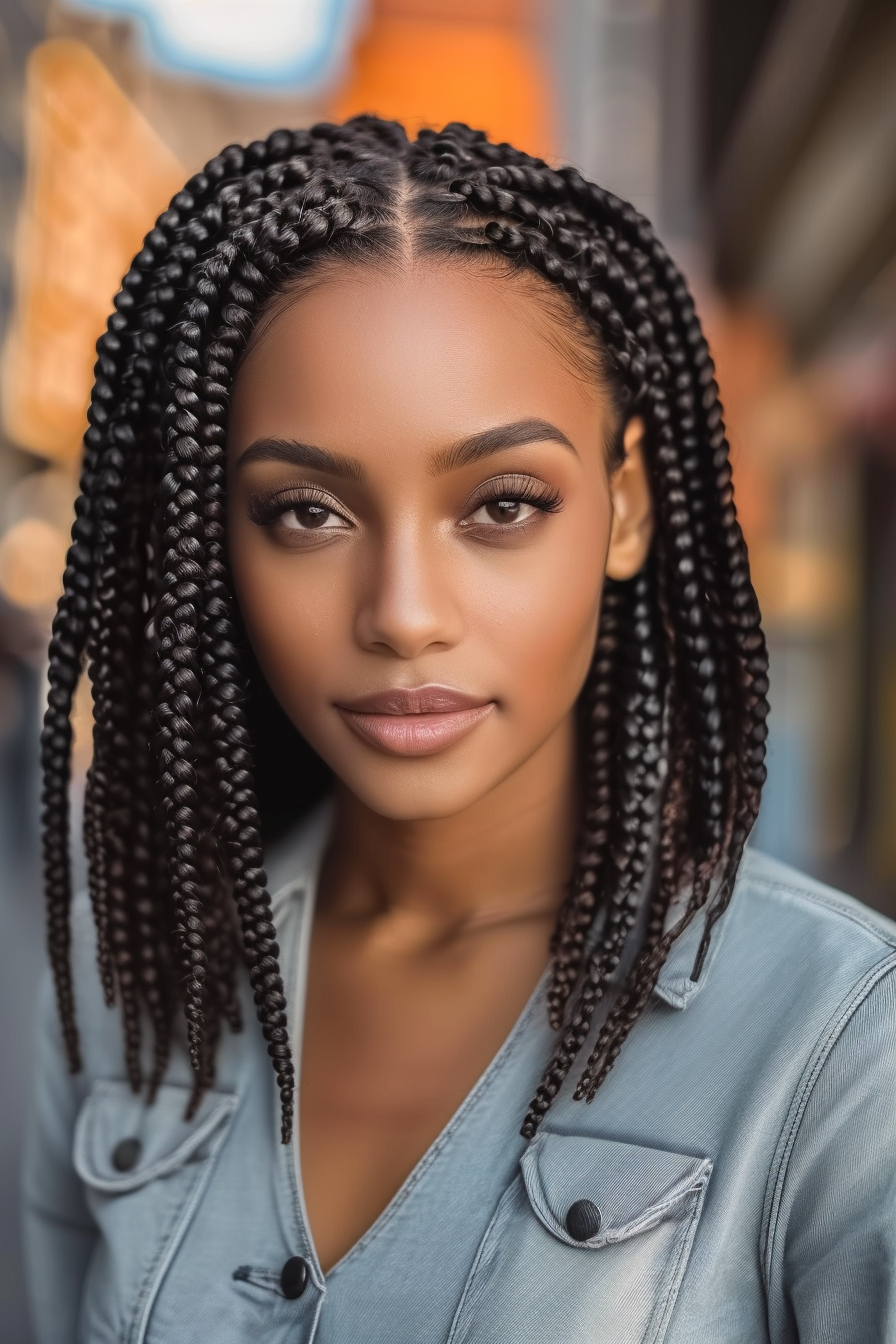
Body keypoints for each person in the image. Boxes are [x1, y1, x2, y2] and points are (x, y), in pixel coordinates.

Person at [22, 117, 896, 1344]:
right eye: (305, 512)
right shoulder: (122, 985)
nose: (402, 615)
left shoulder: (840, 1049)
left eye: (500, 504)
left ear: (626, 507)